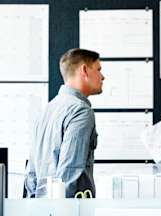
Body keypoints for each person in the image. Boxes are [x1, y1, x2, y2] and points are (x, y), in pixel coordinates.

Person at [24, 48, 105, 198]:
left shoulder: (46, 110)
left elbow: (31, 174)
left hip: (40, 209)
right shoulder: (80, 111)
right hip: (66, 209)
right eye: (98, 69)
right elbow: (70, 172)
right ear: (85, 70)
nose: (103, 76)